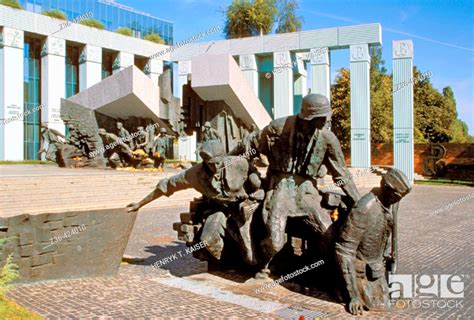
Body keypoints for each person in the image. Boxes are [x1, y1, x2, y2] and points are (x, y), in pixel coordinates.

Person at [231, 93, 361, 278]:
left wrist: (357, 200)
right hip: (279, 188)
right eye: (321, 118)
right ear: (309, 117)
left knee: (328, 235)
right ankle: (264, 264)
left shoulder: (327, 138)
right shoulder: (278, 128)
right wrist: (228, 164)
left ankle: (322, 270)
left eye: (326, 118)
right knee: (275, 240)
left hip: (307, 192)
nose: (325, 122)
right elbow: (249, 146)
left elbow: (341, 175)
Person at [127, 140, 264, 266]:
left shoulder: (239, 163)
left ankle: (261, 263)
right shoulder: (195, 174)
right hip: (220, 210)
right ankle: (226, 262)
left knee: (251, 257)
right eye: (211, 163)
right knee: (208, 240)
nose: (215, 166)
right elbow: (167, 185)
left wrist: (253, 198)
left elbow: (260, 184)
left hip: (244, 209)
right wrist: (140, 204)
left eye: (218, 162)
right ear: (204, 161)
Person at [335, 168, 412, 315]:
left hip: (377, 269)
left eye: (401, 197)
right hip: (360, 273)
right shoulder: (364, 208)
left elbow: (386, 229)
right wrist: (353, 295)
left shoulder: (391, 202)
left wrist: (387, 251)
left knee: (390, 301)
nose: (398, 201)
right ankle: (343, 290)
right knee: (381, 307)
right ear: (386, 188)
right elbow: (344, 250)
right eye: (397, 196)